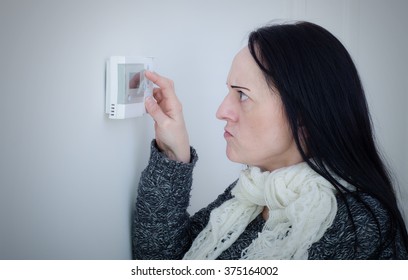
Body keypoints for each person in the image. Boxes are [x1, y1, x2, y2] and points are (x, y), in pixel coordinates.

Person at [132, 21, 408, 259]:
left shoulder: (360, 226)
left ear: (303, 113)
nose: (221, 112)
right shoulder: (251, 193)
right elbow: (161, 262)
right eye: (229, 91)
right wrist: (172, 155)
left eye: (242, 94)